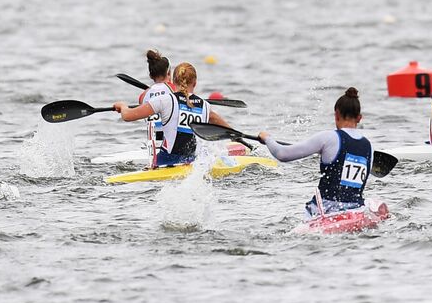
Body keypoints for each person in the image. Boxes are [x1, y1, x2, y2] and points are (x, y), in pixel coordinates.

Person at [255, 88, 372, 217]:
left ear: (336, 114)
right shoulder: (369, 146)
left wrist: (267, 139)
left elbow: (282, 154)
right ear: (359, 118)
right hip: (356, 211)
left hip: (325, 211)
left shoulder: (329, 138)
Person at [113, 50, 230, 169]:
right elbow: (223, 125)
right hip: (192, 164)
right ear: (195, 83)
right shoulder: (205, 106)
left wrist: (123, 106)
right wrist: (237, 136)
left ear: (173, 81)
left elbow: (127, 116)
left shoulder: (164, 100)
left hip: (164, 163)